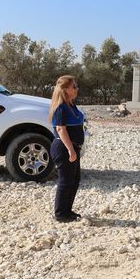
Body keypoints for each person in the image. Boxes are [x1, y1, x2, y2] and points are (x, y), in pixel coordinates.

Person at [49, 75, 85, 223]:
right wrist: (70, 150)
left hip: (72, 147)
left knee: (74, 180)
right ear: (65, 90)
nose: (77, 89)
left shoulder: (71, 105)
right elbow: (61, 129)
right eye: (74, 87)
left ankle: (67, 210)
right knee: (65, 180)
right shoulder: (61, 108)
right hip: (63, 148)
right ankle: (60, 213)